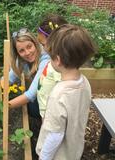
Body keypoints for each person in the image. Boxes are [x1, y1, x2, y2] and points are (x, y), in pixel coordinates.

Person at [36, 24, 96, 160]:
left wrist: (43, 158)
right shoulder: (84, 82)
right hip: (74, 151)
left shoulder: (58, 94)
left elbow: (54, 135)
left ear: (57, 60)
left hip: (58, 156)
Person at [0, 28, 50, 118]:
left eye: (29, 46)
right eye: (21, 50)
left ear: (35, 43)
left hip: (56, 99)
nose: (27, 52)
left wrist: (3, 106)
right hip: (43, 94)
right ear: (17, 53)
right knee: (31, 106)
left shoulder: (45, 59)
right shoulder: (22, 60)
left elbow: (31, 94)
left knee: (33, 107)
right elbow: (9, 79)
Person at [37, 13, 68, 119]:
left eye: (43, 44)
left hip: (52, 116)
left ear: (55, 42)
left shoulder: (61, 69)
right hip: (45, 112)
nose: (43, 49)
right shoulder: (54, 60)